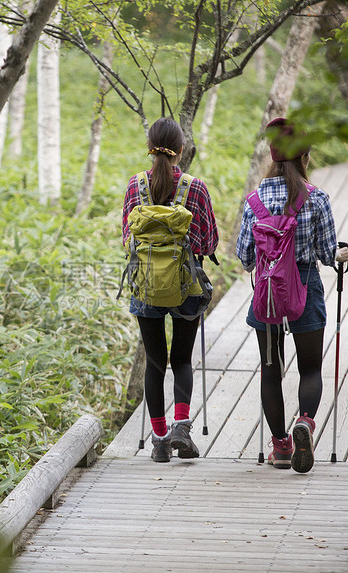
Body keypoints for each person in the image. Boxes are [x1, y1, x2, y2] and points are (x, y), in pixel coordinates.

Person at [235, 117, 348, 473]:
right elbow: (328, 252)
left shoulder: (255, 200)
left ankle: (281, 448)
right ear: (304, 156)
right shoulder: (316, 198)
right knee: (310, 368)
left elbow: (244, 256)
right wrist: (340, 254)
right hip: (304, 286)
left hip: (268, 290)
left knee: (271, 371)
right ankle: (306, 422)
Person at [122, 117, 219, 463]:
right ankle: (182, 425)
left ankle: (160, 440)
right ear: (181, 149)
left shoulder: (136, 186)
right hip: (187, 285)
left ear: (150, 147)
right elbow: (208, 242)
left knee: (154, 363)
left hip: (146, 287)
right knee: (181, 360)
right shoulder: (195, 187)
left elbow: (126, 239)